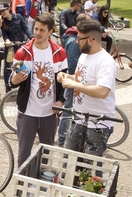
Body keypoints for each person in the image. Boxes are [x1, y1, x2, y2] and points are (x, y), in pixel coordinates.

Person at [10, 14, 68, 166]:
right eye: (36, 29)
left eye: (42, 30)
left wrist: (61, 101)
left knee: (47, 155)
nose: (37, 33)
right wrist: (14, 80)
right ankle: (22, 187)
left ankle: (43, 184)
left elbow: (64, 82)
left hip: (49, 114)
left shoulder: (59, 52)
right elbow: (13, 80)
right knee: (24, 155)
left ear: (50, 32)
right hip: (27, 113)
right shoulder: (23, 52)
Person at [57, 19, 116, 157]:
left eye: (79, 39)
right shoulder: (84, 56)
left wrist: (74, 84)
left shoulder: (105, 61)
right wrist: (68, 77)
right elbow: (82, 79)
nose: (76, 41)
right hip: (79, 119)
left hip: (97, 125)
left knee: (91, 169)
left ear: (90, 39)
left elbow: (102, 91)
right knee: (68, 162)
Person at [56, 14, 87, 146]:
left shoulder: (74, 39)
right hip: (72, 82)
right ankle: (62, 138)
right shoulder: (74, 42)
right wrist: (76, 83)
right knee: (68, 109)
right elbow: (73, 65)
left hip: (73, 81)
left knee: (69, 109)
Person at [0, 3, 30, 92]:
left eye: (4, 10)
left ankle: (23, 85)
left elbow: (25, 28)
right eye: (0, 12)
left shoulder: (18, 17)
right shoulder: (2, 22)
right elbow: (4, 34)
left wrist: (31, 36)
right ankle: (8, 86)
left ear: (8, 9)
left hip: (21, 45)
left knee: (22, 65)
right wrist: (7, 40)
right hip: (11, 47)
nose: (2, 13)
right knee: (9, 67)